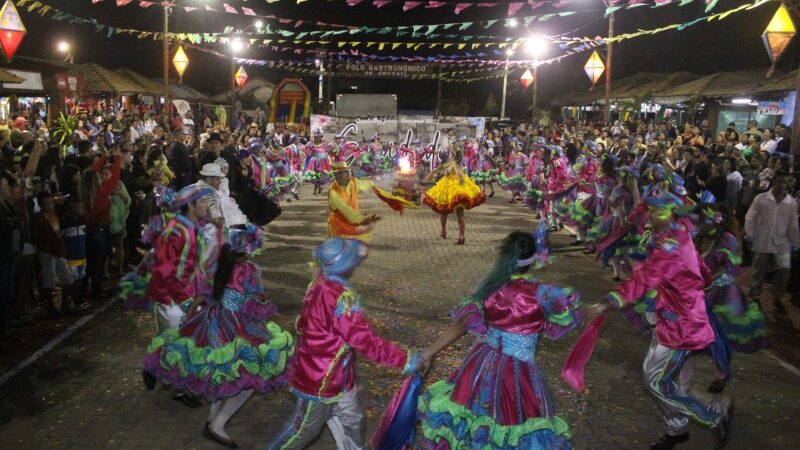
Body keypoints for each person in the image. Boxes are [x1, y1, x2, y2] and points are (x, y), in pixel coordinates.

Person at [597, 190, 733, 450]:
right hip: (672, 317)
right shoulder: (677, 235)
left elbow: (648, 275)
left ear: (669, 213)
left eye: (654, 210)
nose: (649, 214)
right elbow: (703, 273)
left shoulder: (673, 243)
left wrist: (612, 299)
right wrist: (693, 286)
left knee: (655, 380)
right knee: (659, 377)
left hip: (682, 324)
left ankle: (715, 413)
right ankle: (677, 429)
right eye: (649, 210)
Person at [417, 231, 579, 449]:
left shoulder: (489, 288)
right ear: (534, 258)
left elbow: (461, 325)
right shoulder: (545, 294)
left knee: (474, 416)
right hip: (517, 373)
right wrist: (601, 306)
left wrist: (428, 353)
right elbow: (572, 311)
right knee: (514, 423)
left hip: (481, 363)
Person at [267, 237, 426, 450]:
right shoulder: (342, 297)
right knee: (305, 430)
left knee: (353, 422)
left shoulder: (319, 283)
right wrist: (406, 359)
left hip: (340, 379)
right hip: (320, 381)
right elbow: (365, 341)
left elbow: (303, 324)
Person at [144, 225, 294, 448]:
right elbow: (252, 303)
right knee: (249, 376)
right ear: (247, 245)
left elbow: (205, 294)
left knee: (221, 373)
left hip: (213, 321)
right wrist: (277, 316)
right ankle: (217, 424)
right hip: (236, 326)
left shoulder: (220, 265)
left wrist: (189, 318)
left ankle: (212, 422)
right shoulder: (248, 268)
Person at [694, 201, 769, 393]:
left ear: (716, 220)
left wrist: (702, 282)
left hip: (724, 294)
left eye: (702, 220)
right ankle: (682, 379)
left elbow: (722, 269)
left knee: (720, 335)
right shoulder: (698, 237)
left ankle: (721, 374)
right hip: (701, 290)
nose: (697, 224)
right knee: (697, 334)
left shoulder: (728, 240)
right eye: (697, 220)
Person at [745, 174, 800, 314]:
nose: (783, 185)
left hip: (783, 242)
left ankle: (777, 294)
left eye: (786, 182)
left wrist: (795, 242)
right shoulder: (761, 198)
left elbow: (793, 224)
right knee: (759, 270)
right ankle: (755, 296)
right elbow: (750, 216)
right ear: (774, 182)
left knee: (784, 270)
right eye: (781, 181)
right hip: (762, 239)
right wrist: (749, 233)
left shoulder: (791, 203)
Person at [80, 150, 121, 300]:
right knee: (98, 261)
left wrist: (105, 156)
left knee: (90, 261)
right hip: (101, 230)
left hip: (89, 230)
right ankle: (96, 290)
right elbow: (115, 176)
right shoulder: (102, 192)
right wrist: (116, 157)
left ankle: (84, 288)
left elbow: (91, 172)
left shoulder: (84, 193)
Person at [423, 147, 485, 245]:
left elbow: (457, 172)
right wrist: (432, 173)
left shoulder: (455, 164)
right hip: (454, 188)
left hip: (451, 189)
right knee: (457, 214)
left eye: (451, 153)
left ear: (454, 155)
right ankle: (459, 235)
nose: (449, 154)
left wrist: (460, 177)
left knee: (444, 212)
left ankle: (445, 232)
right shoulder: (452, 163)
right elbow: (440, 168)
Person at [327, 161, 380, 240]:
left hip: (353, 223)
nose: (337, 177)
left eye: (340, 173)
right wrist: (362, 220)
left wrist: (374, 180)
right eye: (335, 174)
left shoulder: (354, 182)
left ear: (348, 173)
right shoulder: (333, 191)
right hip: (339, 226)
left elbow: (365, 184)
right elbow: (345, 209)